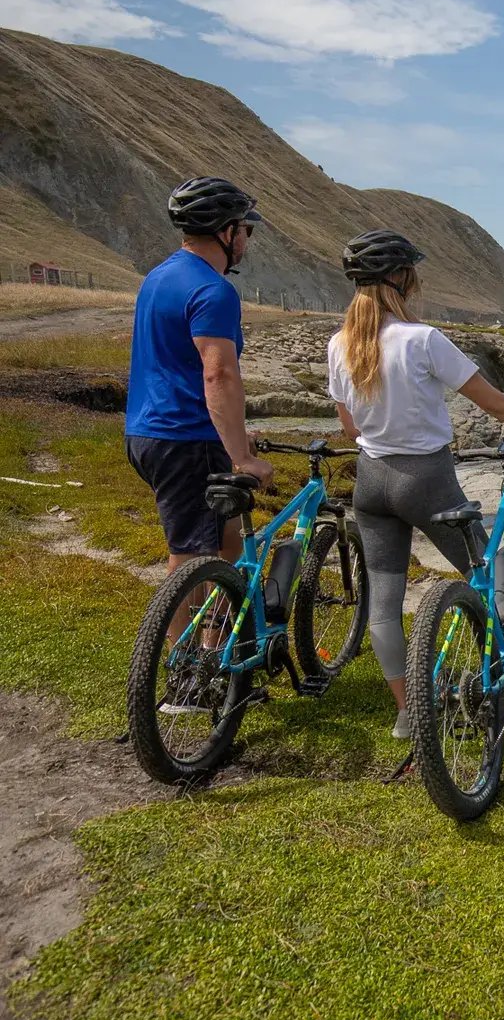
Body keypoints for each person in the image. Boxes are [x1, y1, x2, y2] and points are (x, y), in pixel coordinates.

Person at [325, 229, 504, 738]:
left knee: (383, 600)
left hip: (371, 481)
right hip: (426, 478)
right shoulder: (421, 339)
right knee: (490, 583)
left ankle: (407, 712)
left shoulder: (341, 345)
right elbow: (494, 402)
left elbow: (349, 428)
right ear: (400, 278)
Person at [125, 177, 276, 659]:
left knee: (226, 541)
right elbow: (219, 376)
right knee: (189, 555)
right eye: (246, 230)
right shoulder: (214, 291)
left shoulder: (160, 276)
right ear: (226, 232)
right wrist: (242, 456)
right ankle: (182, 669)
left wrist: (233, 434)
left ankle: (212, 646)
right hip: (186, 437)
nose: (249, 241)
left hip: (147, 431)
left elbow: (175, 363)